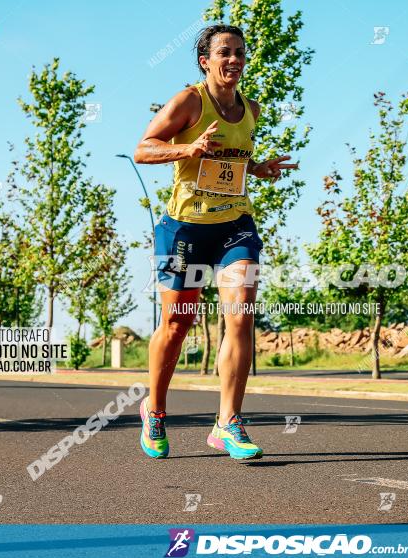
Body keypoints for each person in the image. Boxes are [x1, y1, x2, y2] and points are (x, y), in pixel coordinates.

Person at [133, 24, 297, 460]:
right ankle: (155, 410)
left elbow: (232, 163)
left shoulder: (251, 110)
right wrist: (185, 151)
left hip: (234, 226)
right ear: (205, 60)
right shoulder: (189, 101)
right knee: (176, 325)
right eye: (225, 52)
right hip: (185, 229)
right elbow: (143, 149)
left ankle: (228, 422)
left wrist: (257, 168)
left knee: (240, 314)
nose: (234, 60)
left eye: (240, 52)